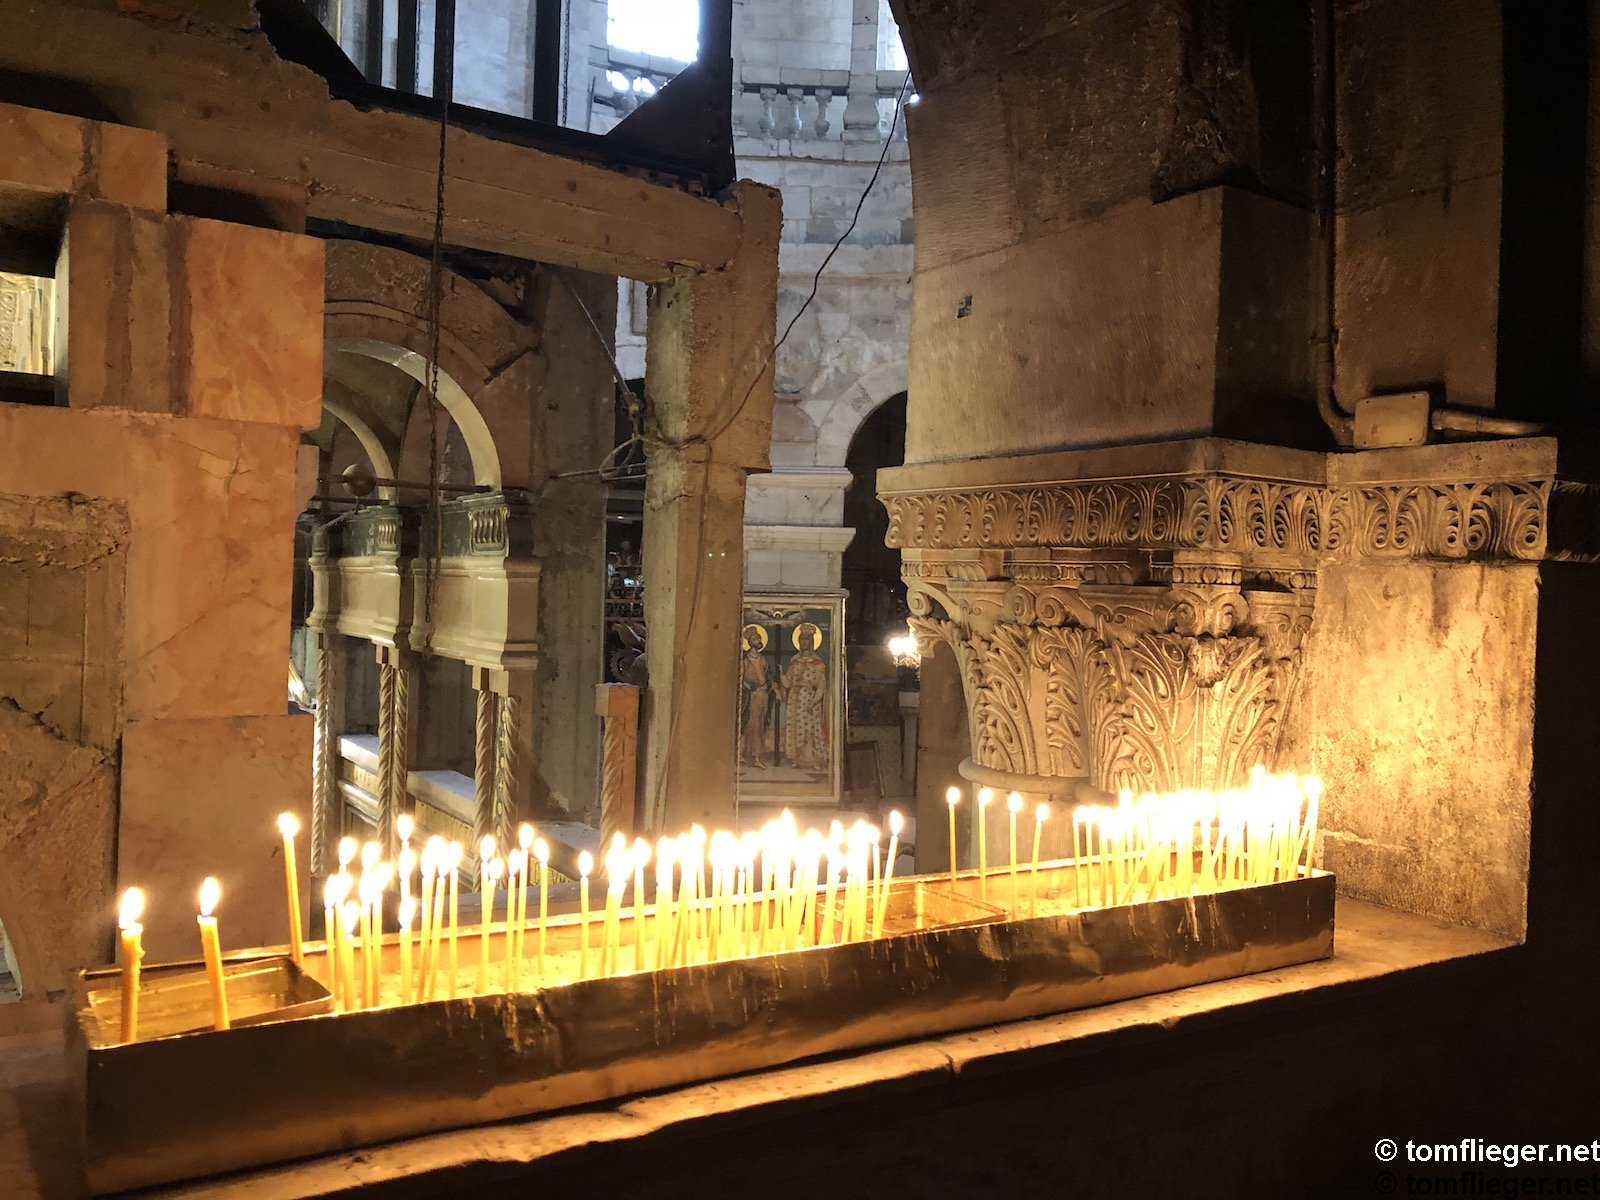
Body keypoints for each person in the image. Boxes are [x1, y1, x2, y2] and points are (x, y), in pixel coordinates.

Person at [779, 622, 829, 772]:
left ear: (811, 641)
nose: (804, 642)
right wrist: (781, 674)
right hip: (795, 700)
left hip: (809, 700)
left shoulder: (818, 662)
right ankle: (797, 758)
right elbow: (788, 683)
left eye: (807, 639)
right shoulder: (794, 660)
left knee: (810, 730)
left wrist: (815, 701)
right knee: (796, 729)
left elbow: (821, 685)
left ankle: (813, 759)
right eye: (802, 639)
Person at [739, 624, 775, 768]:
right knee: (753, 725)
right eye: (755, 639)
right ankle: (754, 756)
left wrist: (772, 686)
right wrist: (746, 685)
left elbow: (768, 675)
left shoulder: (762, 659)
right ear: (749, 642)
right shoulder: (745, 660)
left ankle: (750, 754)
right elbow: (740, 678)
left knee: (760, 724)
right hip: (751, 697)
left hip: (763, 695)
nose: (758, 640)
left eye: (758, 638)